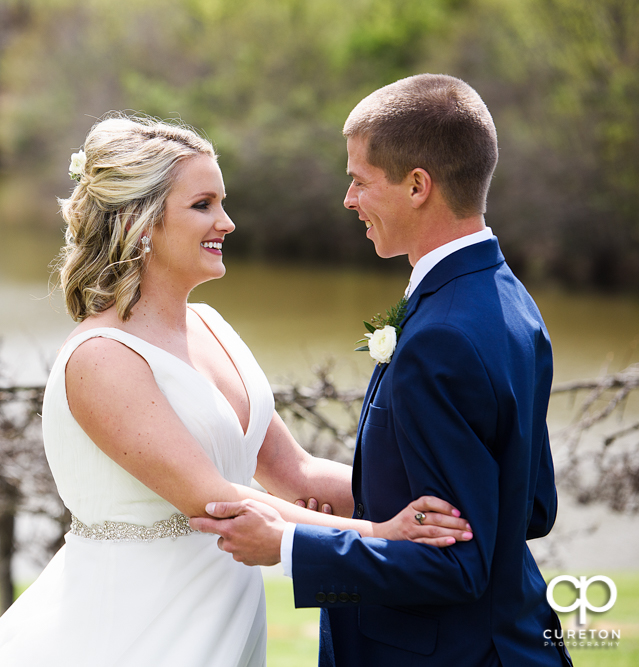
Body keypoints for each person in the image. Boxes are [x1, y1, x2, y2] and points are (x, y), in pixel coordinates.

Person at [0, 114, 473, 667]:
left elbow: (294, 474)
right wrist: (381, 535)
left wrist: (444, 502)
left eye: (222, 203)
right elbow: (217, 499)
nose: (227, 222)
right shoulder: (101, 357)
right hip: (139, 623)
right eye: (203, 205)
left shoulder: (211, 326)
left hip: (224, 613)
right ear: (142, 223)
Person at [191, 74, 572, 666]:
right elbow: (532, 505)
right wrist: (374, 503)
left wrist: (288, 546)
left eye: (359, 181)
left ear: (418, 185)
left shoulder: (442, 335)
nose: (348, 200)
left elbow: (456, 564)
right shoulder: (508, 300)